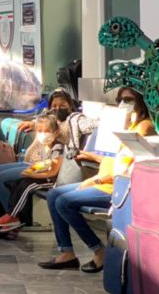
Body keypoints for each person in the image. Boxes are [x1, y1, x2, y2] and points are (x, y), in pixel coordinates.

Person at [38, 87, 156, 273]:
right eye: (121, 99)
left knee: (63, 202)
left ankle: (99, 250)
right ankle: (66, 252)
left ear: (140, 103)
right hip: (104, 180)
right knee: (53, 195)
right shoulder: (123, 126)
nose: (123, 104)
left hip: (116, 187)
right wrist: (92, 158)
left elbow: (126, 167)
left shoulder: (143, 128)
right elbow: (113, 158)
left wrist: (96, 181)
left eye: (128, 99)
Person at [0, 89, 78, 224]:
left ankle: (13, 216)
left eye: (62, 106)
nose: (57, 109)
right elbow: (42, 122)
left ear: (70, 106)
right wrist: (34, 124)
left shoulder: (71, 123)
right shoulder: (48, 118)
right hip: (30, 161)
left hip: (40, 166)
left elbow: (53, 166)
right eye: (54, 106)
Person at [0, 115, 64, 232]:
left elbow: (52, 172)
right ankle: (19, 217)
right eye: (40, 131)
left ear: (56, 132)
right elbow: (42, 164)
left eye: (47, 131)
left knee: (27, 184)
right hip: (42, 176)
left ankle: (12, 216)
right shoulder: (43, 146)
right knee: (17, 183)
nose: (43, 134)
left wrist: (31, 175)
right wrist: (31, 171)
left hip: (52, 181)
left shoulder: (57, 148)